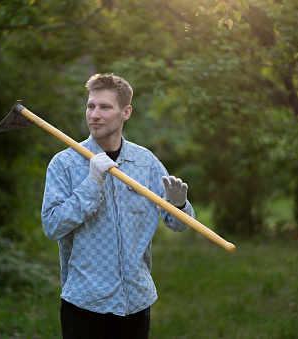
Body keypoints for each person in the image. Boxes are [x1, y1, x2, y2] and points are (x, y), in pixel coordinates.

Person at [41, 73, 195, 339]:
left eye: (105, 107)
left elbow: (179, 225)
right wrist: (92, 182)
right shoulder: (64, 164)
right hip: (85, 303)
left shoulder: (146, 163)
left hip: (135, 302)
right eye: (91, 106)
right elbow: (52, 226)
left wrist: (179, 204)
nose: (94, 115)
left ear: (126, 112)